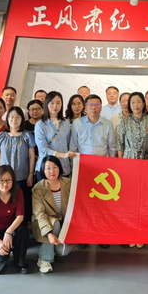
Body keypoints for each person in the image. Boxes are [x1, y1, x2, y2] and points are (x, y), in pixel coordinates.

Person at [70, 94, 116, 250]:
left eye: (97, 105)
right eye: (90, 105)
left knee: (102, 205)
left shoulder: (107, 124)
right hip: (84, 169)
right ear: (85, 107)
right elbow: (73, 147)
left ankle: (102, 235)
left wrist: (112, 168)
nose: (94, 108)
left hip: (103, 170)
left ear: (101, 107)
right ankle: (84, 235)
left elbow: (112, 148)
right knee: (84, 204)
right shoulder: (77, 123)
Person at [0, 165, 29, 274]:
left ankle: (20, 262)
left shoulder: (18, 192)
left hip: (10, 229)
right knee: (1, 261)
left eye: (8, 180)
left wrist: (9, 232)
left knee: (23, 231)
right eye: (1, 180)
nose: (5, 184)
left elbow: (20, 217)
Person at [0, 107, 36, 223]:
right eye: (12, 117)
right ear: (7, 119)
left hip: (22, 177)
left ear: (22, 119)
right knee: (5, 202)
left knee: (21, 203)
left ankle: (21, 227)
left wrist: (30, 174)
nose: (14, 120)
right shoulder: (1, 136)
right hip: (3, 178)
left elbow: (31, 156)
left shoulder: (27, 136)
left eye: (18, 117)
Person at [31, 155, 73, 273]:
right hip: (44, 223)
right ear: (43, 170)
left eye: (55, 167)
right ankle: (44, 259)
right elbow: (40, 214)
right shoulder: (38, 188)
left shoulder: (69, 183)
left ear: (59, 168)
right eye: (48, 168)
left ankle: (51, 249)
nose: (52, 171)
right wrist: (48, 233)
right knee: (54, 224)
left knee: (63, 251)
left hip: (64, 223)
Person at [35, 91, 76, 180]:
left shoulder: (66, 122)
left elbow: (69, 144)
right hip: (47, 168)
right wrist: (63, 155)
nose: (55, 106)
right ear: (46, 104)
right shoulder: (40, 124)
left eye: (58, 103)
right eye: (52, 103)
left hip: (64, 167)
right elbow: (42, 149)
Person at [117, 91, 148, 160]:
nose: (136, 105)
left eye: (138, 102)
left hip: (146, 158)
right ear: (130, 104)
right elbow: (120, 143)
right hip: (129, 158)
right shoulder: (125, 121)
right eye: (133, 102)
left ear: (143, 104)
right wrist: (120, 161)